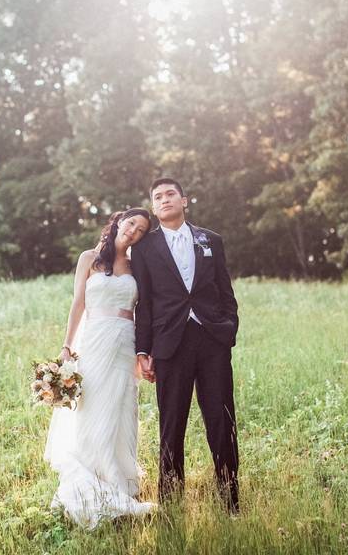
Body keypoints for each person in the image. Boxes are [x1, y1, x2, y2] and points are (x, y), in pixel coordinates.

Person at [131, 178, 240, 514]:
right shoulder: (144, 248)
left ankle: (230, 504)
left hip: (212, 342)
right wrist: (142, 350)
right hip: (170, 346)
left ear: (184, 200)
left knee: (222, 423)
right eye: (158, 197)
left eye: (170, 194)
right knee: (171, 426)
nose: (164, 200)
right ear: (153, 206)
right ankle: (171, 506)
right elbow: (145, 304)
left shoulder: (211, 240)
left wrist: (229, 328)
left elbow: (225, 290)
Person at [43, 207, 156, 529]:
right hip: (93, 340)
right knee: (92, 406)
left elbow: (145, 310)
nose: (134, 231)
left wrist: (144, 352)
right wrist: (67, 347)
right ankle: (90, 478)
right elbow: (78, 303)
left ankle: (118, 478)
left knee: (120, 407)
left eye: (141, 230)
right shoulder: (89, 258)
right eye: (131, 223)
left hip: (124, 342)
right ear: (119, 221)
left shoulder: (137, 266)